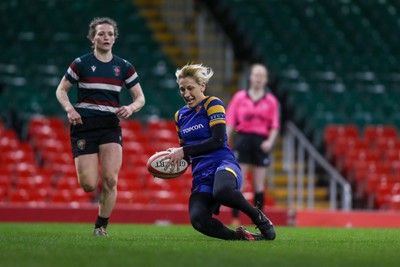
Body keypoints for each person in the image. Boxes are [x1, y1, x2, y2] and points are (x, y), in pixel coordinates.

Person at [163, 63, 276, 241]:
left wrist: (183, 151)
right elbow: (188, 154)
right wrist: (173, 161)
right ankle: (241, 238)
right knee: (198, 220)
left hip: (223, 165)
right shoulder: (179, 116)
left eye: (190, 88)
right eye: (182, 89)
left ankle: (259, 218)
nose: (186, 94)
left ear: (202, 86)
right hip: (201, 174)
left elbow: (217, 141)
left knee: (222, 191)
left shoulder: (213, 104)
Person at [55, 17, 145, 236]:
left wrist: (131, 108)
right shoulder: (80, 63)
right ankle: (98, 218)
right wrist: (69, 109)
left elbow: (141, 98)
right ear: (92, 38)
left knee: (111, 179)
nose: (106, 37)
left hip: (109, 126)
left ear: (115, 38)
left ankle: (101, 226)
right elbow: (60, 90)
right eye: (101, 33)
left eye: (110, 34)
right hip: (83, 125)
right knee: (88, 184)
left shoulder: (124, 67)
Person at [226, 63, 280, 226]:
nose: (258, 79)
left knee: (258, 185)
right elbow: (230, 122)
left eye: (261, 76)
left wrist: (270, 142)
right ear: (250, 77)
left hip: (260, 143)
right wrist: (225, 143)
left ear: (266, 79)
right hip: (242, 140)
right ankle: (235, 219)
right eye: (256, 75)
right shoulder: (239, 98)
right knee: (239, 183)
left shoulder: (271, 101)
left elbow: (275, 125)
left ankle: (259, 220)